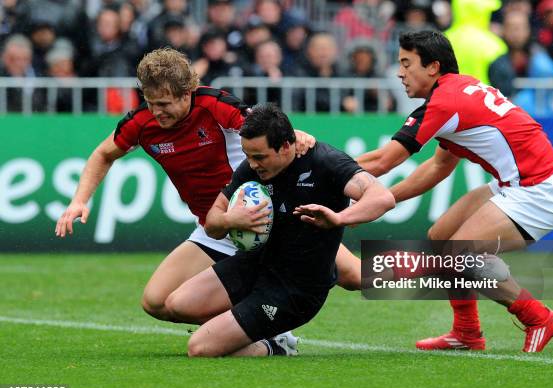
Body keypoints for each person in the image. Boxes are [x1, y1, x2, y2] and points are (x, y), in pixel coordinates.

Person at [54, 47, 360, 329]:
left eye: (164, 103)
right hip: (216, 226)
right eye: (149, 102)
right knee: (157, 301)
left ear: (187, 93)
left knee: (355, 275)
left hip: (262, 216)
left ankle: (409, 276)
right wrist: (79, 201)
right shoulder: (141, 123)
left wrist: (296, 135)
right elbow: (103, 153)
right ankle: (266, 333)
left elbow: (263, 129)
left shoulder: (214, 105)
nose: (156, 111)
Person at [355, 30, 553, 353]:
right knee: (441, 237)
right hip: (517, 183)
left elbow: (384, 161)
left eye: (406, 63)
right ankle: (467, 332)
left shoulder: (444, 102)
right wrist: (388, 199)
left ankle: (537, 316)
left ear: (433, 67)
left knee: (460, 253)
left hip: (538, 191)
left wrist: (322, 167)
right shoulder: (457, 89)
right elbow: (439, 166)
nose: (400, 72)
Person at [165, 103, 395, 357]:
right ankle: (253, 327)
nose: (251, 164)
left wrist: (339, 218)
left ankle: (275, 345)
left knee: (199, 348)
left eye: (259, 157)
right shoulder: (252, 168)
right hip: (257, 265)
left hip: (294, 289)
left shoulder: (324, 161)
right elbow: (213, 223)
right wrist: (232, 220)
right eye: (247, 155)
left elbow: (382, 197)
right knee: (175, 304)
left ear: (286, 146)